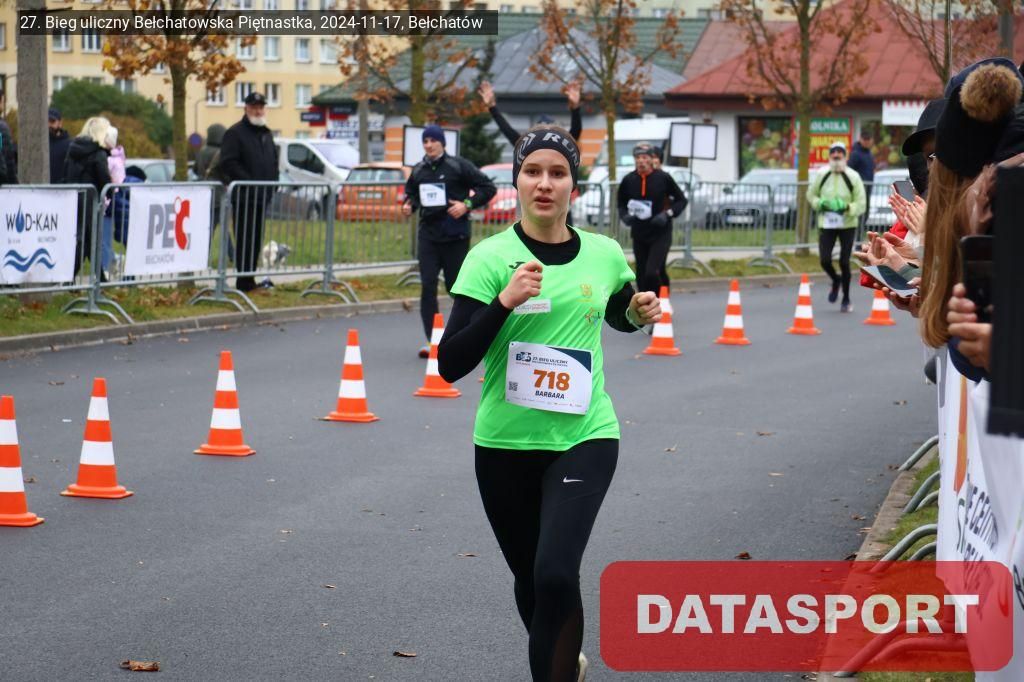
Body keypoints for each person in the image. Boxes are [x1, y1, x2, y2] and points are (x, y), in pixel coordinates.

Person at [436, 125, 661, 682]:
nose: (544, 183)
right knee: (532, 580)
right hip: (504, 443)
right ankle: (565, 661)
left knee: (557, 573)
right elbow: (450, 363)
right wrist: (504, 302)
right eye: (533, 171)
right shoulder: (489, 259)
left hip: (585, 436)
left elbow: (616, 311)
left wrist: (636, 313)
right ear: (516, 182)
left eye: (557, 173)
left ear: (572, 186)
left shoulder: (604, 253)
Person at [402, 124, 496, 357]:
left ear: (442, 143)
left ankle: (466, 335)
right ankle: (433, 340)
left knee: (457, 287)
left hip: (455, 236)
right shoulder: (420, 169)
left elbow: (488, 187)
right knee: (428, 286)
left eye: (433, 140)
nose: (429, 145)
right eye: (425, 141)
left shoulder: (458, 166)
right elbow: (412, 194)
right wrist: (408, 206)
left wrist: (467, 205)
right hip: (429, 236)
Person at [219, 91, 279, 292]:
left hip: (262, 197)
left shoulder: (266, 134)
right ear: (246, 108)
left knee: (256, 240)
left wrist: (273, 184)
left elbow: (273, 161)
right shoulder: (235, 133)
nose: (258, 111)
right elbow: (228, 163)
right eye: (254, 107)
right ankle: (243, 282)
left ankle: (250, 280)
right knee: (245, 240)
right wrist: (249, 182)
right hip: (245, 197)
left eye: (261, 107)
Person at [616, 143, 687, 294]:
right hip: (639, 233)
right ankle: (646, 303)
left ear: (651, 159)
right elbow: (621, 203)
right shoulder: (629, 180)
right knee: (641, 272)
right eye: (638, 158)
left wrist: (667, 214)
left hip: (660, 232)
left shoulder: (662, 178)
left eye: (644, 157)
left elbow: (681, 200)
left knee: (652, 272)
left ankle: (661, 301)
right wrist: (625, 216)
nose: (641, 161)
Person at [806, 141, 867, 312]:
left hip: (848, 224)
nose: (836, 157)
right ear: (829, 157)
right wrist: (820, 203)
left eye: (839, 155)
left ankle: (846, 298)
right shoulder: (822, 174)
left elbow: (861, 203)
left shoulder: (853, 176)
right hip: (827, 223)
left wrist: (847, 207)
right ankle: (835, 279)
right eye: (833, 154)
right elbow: (811, 195)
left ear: (845, 157)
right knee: (825, 260)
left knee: (844, 262)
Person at [63, 117, 114, 278]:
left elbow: (66, 171)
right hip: (90, 200)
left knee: (86, 240)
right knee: (88, 240)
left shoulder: (73, 149)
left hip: (74, 198)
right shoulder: (98, 153)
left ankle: (98, 278)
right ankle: (70, 277)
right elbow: (104, 178)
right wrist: (110, 192)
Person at [478, 80, 583, 146]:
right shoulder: (528, 147)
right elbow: (507, 130)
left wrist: (575, 108)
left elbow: (575, 131)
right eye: (542, 132)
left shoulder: (561, 147)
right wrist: (492, 107)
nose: (546, 137)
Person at [48, 108, 72, 184]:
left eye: (52, 121)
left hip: (62, 188)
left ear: (60, 123)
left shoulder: (70, 144)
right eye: (46, 122)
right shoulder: (39, 146)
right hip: (41, 188)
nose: (49, 125)